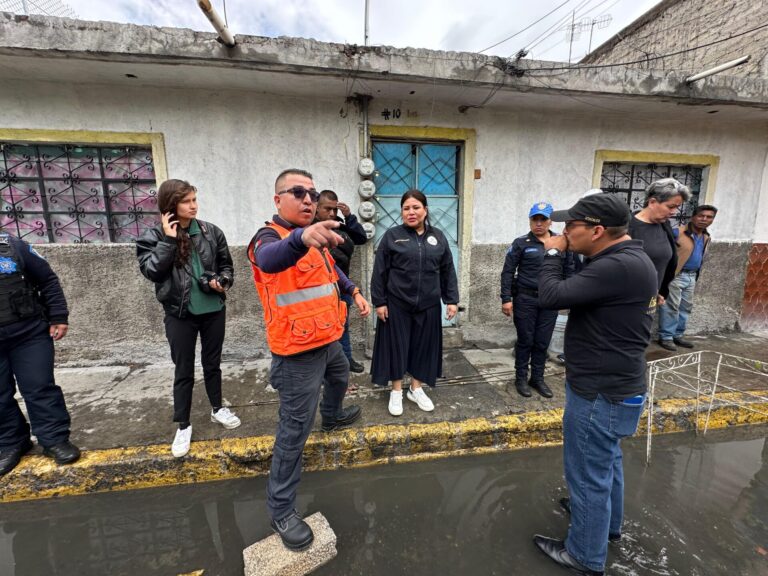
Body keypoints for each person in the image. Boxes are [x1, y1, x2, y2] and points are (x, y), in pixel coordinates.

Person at [533, 194, 658, 576]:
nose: (564, 231)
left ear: (598, 230)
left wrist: (552, 252)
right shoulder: (629, 259)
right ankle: (607, 526)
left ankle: (584, 556)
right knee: (607, 463)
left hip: (599, 391)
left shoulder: (616, 266)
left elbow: (550, 296)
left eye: (571, 226)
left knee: (587, 473)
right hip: (618, 384)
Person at [247, 168, 370, 551]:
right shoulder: (268, 238)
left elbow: (331, 272)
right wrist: (301, 237)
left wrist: (354, 291)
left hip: (328, 339)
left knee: (340, 377)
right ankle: (281, 510)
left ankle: (331, 416)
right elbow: (270, 260)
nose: (307, 200)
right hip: (296, 354)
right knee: (293, 433)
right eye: (297, 192)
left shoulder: (315, 237)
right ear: (278, 199)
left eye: (312, 194)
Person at [136, 179, 240, 459]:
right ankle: (183, 424)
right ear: (171, 205)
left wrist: (222, 281)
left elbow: (226, 265)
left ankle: (217, 408)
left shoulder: (211, 232)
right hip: (179, 314)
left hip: (213, 309)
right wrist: (169, 240)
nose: (193, 206)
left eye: (195, 199)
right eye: (186, 201)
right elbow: (153, 272)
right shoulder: (153, 236)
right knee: (183, 370)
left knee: (212, 364)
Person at [370, 189, 459, 417]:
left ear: (425, 210)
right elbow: (379, 272)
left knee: (423, 347)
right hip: (397, 302)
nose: (411, 212)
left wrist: (451, 300)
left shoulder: (438, 237)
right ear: (401, 212)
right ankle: (396, 390)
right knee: (396, 347)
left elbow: (447, 270)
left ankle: (416, 388)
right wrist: (379, 302)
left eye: (416, 207)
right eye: (406, 208)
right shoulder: (392, 236)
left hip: (428, 303)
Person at [0, 232, 80, 476]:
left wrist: (58, 317)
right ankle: (11, 443)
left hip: (28, 335)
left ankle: (54, 440)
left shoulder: (13, 246)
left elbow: (47, 280)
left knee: (39, 387)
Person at [500, 202, 574, 398]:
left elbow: (569, 270)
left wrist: (568, 296)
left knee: (542, 342)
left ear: (550, 221)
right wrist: (506, 298)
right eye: (535, 219)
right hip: (525, 299)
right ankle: (521, 378)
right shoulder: (521, 243)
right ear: (530, 221)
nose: (539, 223)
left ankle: (538, 378)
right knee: (525, 341)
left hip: (550, 301)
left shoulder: (561, 242)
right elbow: (508, 272)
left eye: (543, 219)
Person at [627, 179, 691, 341]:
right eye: (671, 206)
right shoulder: (628, 227)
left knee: (639, 341)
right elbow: (620, 267)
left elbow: (666, 260)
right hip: (627, 302)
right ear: (652, 202)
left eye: (677, 207)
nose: (674, 212)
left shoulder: (664, 225)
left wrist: (661, 290)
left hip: (650, 302)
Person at [314, 189, 369, 373]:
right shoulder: (310, 230)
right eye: (327, 209)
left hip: (343, 286)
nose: (332, 213)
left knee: (343, 326)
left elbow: (361, 237)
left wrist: (349, 216)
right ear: (316, 208)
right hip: (321, 290)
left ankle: (346, 360)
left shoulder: (339, 226)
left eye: (334, 209)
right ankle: (325, 368)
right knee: (323, 331)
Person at [657, 204, 717, 351]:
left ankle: (678, 335)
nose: (704, 219)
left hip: (691, 276)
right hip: (676, 276)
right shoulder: (677, 232)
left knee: (685, 308)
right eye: (701, 216)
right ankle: (666, 337)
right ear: (693, 217)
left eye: (709, 217)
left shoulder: (705, 236)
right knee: (671, 307)